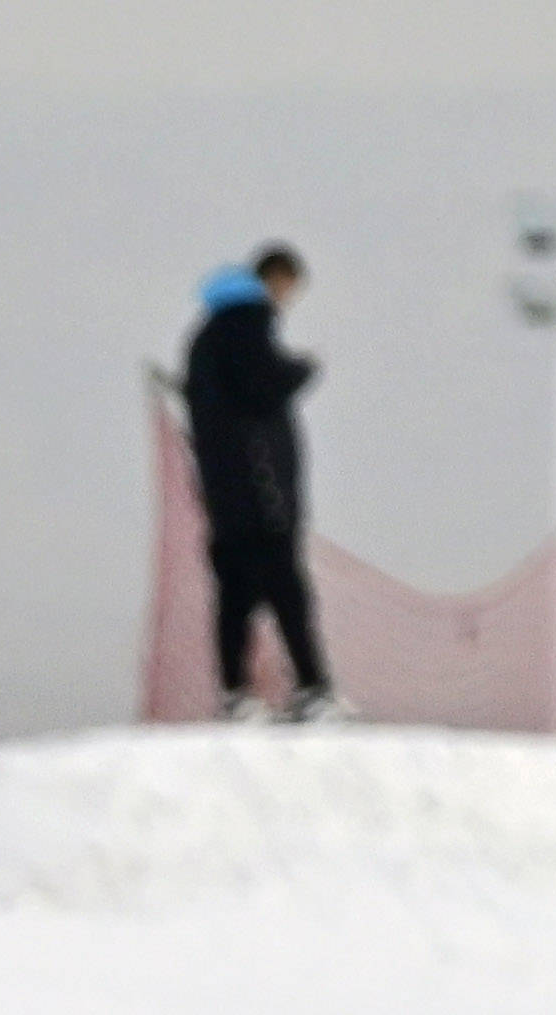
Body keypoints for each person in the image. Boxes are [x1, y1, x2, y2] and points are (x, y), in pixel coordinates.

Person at [185, 248, 338, 719]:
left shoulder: (205, 336)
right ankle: (313, 690)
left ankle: (236, 693)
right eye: (288, 287)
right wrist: (302, 369)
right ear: (275, 278)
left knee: (235, 593)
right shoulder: (246, 325)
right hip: (259, 490)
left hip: (223, 492)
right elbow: (263, 386)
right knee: (287, 589)